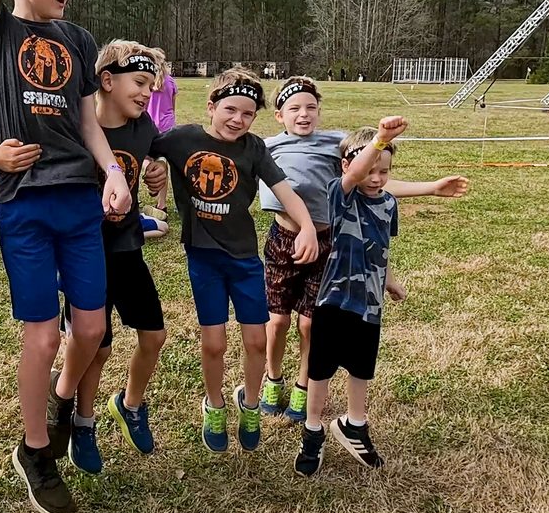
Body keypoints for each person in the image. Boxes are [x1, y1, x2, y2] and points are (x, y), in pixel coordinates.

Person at [0, 0, 131, 513]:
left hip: (81, 200)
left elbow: (88, 118)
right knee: (41, 337)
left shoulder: (79, 37)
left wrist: (112, 171)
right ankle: (35, 448)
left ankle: (65, 400)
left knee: (91, 328)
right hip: (24, 202)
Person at [0, 40, 168, 474]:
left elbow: (158, 157)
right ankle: (81, 419)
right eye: (140, 82)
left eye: (152, 86)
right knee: (96, 346)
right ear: (105, 81)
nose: (147, 93)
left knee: (155, 336)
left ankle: (129, 404)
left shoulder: (144, 127)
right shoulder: (75, 131)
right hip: (85, 250)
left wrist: (158, 170)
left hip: (126, 248)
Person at [255, 77, 469, 422]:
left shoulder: (335, 142)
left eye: (311, 107)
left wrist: (430, 187)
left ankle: (302, 386)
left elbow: (372, 175)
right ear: (279, 115)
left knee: (310, 326)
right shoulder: (265, 146)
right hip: (284, 240)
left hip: (328, 243)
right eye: (294, 108)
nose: (304, 114)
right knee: (277, 321)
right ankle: (273, 377)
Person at [148, 66, 319, 454]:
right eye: (230, 110)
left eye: (247, 114)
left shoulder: (253, 148)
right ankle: (215, 404)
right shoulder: (181, 139)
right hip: (203, 259)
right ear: (211, 106)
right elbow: (142, 148)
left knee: (256, 339)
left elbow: (284, 190)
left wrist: (306, 226)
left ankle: (251, 403)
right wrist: (150, 169)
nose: (237, 120)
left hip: (244, 260)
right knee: (214, 343)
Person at [294, 118, 408, 476]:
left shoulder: (389, 204)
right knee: (321, 370)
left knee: (361, 368)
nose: (375, 178)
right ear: (348, 166)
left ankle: (353, 424)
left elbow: (380, 248)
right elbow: (356, 173)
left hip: (369, 304)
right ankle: (312, 431)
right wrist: (379, 140)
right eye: (370, 170)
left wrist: (390, 280)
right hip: (333, 301)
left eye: (384, 171)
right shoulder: (339, 193)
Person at [143, 60, 176, 219]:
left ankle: (150, 172)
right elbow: (173, 105)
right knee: (163, 163)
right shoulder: (171, 82)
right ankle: (162, 204)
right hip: (167, 125)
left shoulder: (149, 81)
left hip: (150, 123)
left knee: (146, 158)